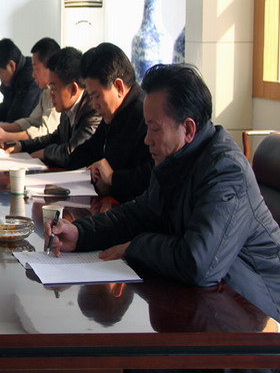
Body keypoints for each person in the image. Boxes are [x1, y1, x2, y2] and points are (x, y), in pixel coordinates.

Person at [47, 64, 280, 322]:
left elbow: (198, 263)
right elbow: (139, 214)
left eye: (155, 128)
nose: (146, 139)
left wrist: (135, 246)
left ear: (188, 129)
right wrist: (80, 233)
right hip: (212, 302)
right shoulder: (175, 159)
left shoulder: (225, 171)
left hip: (257, 313)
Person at [66, 42, 153, 202]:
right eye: (91, 97)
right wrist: (93, 169)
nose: (94, 105)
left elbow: (151, 177)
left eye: (97, 96)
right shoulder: (114, 113)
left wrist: (113, 179)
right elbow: (83, 153)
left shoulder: (145, 115)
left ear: (118, 86)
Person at [6, 47, 101, 167]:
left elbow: (74, 153)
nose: (51, 96)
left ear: (73, 89)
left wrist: (44, 153)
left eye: (53, 89)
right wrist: (22, 145)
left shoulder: (93, 110)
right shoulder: (68, 108)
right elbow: (55, 137)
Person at [0, 37, 61, 143]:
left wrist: (5, 136)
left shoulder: (56, 92)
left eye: (36, 69)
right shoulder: (46, 91)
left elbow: (45, 132)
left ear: (50, 68)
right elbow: (30, 121)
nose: (33, 75)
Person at [0, 39, 41, 124]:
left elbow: (18, 117)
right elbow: (8, 106)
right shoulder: (14, 77)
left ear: (11, 65)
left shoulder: (31, 77)